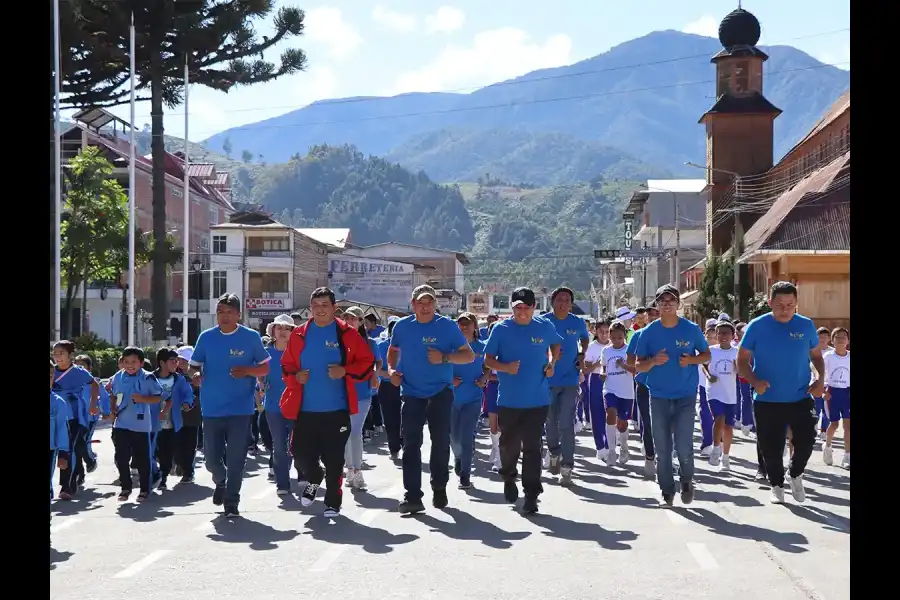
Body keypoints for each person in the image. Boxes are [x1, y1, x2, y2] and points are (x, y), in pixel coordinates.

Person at [280, 288, 374, 517]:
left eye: (325, 305)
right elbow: (286, 365)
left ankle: (333, 502)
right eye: (316, 305)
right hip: (305, 409)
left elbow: (366, 361)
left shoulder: (347, 334)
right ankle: (314, 477)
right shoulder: (300, 334)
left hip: (337, 409)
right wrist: (295, 377)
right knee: (299, 453)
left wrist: (345, 370)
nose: (320, 309)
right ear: (310, 308)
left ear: (334, 308)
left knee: (334, 459)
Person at [388, 285, 475, 514]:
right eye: (421, 303)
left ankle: (439, 486)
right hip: (411, 392)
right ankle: (413, 496)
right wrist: (391, 370)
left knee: (439, 443)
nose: (425, 307)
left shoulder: (446, 326)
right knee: (411, 445)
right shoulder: (402, 326)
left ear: (435, 304)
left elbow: (469, 355)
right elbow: (393, 350)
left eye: (430, 303)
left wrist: (444, 358)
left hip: (440, 392)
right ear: (413, 304)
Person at [737, 281, 824, 504]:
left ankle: (795, 474)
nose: (785, 309)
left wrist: (820, 378)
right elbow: (742, 360)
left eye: (790, 304)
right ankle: (776, 484)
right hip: (767, 398)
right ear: (770, 303)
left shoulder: (805, 325)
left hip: (800, 395)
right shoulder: (757, 326)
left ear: (796, 304)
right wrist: (754, 381)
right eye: (779, 304)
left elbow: (816, 355)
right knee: (771, 447)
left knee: (806, 439)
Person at [188, 293, 271, 518]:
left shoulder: (251, 337)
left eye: (229, 312)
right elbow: (192, 366)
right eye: (220, 312)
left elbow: (265, 368)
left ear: (238, 314)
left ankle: (232, 501)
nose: (224, 316)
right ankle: (221, 481)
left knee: (236, 458)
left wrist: (248, 371)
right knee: (212, 459)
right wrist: (195, 374)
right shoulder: (206, 337)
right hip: (212, 407)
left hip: (241, 409)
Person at [485, 287, 562, 514]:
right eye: (518, 307)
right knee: (509, 447)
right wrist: (505, 367)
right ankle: (509, 477)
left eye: (526, 308)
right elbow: (489, 360)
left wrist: (552, 364)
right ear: (512, 307)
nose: (522, 312)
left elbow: (556, 345)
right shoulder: (501, 329)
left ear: (533, 308)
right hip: (509, 400)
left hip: (537, 399)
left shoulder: (544, 327)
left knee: (532, 447)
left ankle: (531, 494)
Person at [635, 284, 710, 507]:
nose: (667, 304)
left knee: (684, 444)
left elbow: (706, 354)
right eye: (662, 300)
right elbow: (638, 366)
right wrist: (653, 362)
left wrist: (692, 361)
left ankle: (687, 480)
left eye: (671, 300)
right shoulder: (648, 333)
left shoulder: (691, 329)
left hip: (685, 395)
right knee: (662, 447)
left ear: (679, 304)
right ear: (656, 305)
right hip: (658, 395)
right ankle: (667, 490)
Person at [543, 286, 590, 485]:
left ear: (571, 304)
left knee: (566, 423)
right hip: (547, 380)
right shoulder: (543, 321)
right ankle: (554, 451)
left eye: (567, 300)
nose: (563, 303)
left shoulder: (577, 322)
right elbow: (535, 343)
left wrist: (582, 354)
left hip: (570, 380)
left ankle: (567, 465)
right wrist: (547, 355)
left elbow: (585, 339)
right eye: (559, 299)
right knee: (550, 422)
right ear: (552, 302)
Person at [110, 347, 163, 502]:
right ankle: (125, 488)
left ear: (140, 363)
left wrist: (142, 399)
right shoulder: (118, 377)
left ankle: (145, 489)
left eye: (133, 362)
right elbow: (113, 395)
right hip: (121, 424)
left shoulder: (148, 378)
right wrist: (112, 410)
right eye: (126, 362)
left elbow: (158, 397)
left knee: (142, 459)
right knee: (121, 458)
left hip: (140, 425)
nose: (130, 365)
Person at [51, 341, 100, 499]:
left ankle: (67, 487)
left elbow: (94, 384)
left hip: (74, 416)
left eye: (61, 353)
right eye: (55, 353)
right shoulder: (52, 371)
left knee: (69, 450)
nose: (57, 357)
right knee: (57, 452)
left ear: (70, 355)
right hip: (56, 416)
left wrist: (93, 404)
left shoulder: (79, 372)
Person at [450, 313, 488, 489]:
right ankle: (458, 458)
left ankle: (465, 474)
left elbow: (489, 365)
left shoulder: (482, 347)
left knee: (466, 437)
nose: (464, 327)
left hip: (473, 398)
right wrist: (451, 379)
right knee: (453, 437)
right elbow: (439, 365)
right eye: (461, 324)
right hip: (451, 398)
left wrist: (484, 378)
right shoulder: (451, 347)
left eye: (467, 323)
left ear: (475, 327)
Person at [262, 314, 297, 495]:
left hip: (296, 406)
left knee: (296, 444)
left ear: (293, 332)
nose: (283, 331)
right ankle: (282, 483)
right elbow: (259, 376)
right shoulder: (265, 353)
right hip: (273, 407)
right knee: (279, 445)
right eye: (279, 327)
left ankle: (302, 473)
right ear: (272, 331)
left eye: (287, 328)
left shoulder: (299, 352)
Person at [152, 348, 195, 491]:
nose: (176, 363)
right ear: (162, 362)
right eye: (173, 361)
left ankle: (163, 477)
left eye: (177, 361)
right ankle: (156, 473)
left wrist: (187, 403)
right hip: (151, 423)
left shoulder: (179, 378)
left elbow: (187, 393)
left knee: (167, 452)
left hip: (171, 423)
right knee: (154, 451)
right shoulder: (150, 378)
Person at [599, 321, 637, 466]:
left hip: (627, 392)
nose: (616, 341)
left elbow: (635, 370)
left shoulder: (629, 350)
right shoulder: (606, 351)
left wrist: (624, 365)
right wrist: (602, 374)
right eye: (613, 338)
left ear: (624, 336)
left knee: (622, 424)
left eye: (619, 337)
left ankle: (624, 447)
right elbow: (604, 367)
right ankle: (611, 451)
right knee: (610, 414)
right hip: (610, 389)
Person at [703, 320, 739, 470]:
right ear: (716, 335)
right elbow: (703, 365)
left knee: (728, 427)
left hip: (729, 393)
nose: (723, 336)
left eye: (726, 333)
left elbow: (741, 371)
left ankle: (726, 457)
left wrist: (739, 368)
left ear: (732, 335)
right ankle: (716, 448)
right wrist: (708, 375)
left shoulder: (736, 352)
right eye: (720, 333)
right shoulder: (711, 350)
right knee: (719, 418)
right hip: (714, 391)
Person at [822, 327, 850, 469]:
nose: (841, 340)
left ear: (848, 340)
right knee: (834, 424)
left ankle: (847, 455)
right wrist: (823, 391)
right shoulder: (828, 356)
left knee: (848, 426)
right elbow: (818, 373)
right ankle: (827, 446)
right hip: (832, 393)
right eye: (837, 337)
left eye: (843, 337)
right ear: (832, 340)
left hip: (847, 393)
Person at [175, 346, 201, 484]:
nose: (180, 362)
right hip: (176, 415)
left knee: (190, 444)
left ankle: (188, 471)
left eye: (184, 360)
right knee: (176, 444)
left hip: (193, 415)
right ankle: (180, 464)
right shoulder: (174, 375)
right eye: (178, 360)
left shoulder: (197, 375)